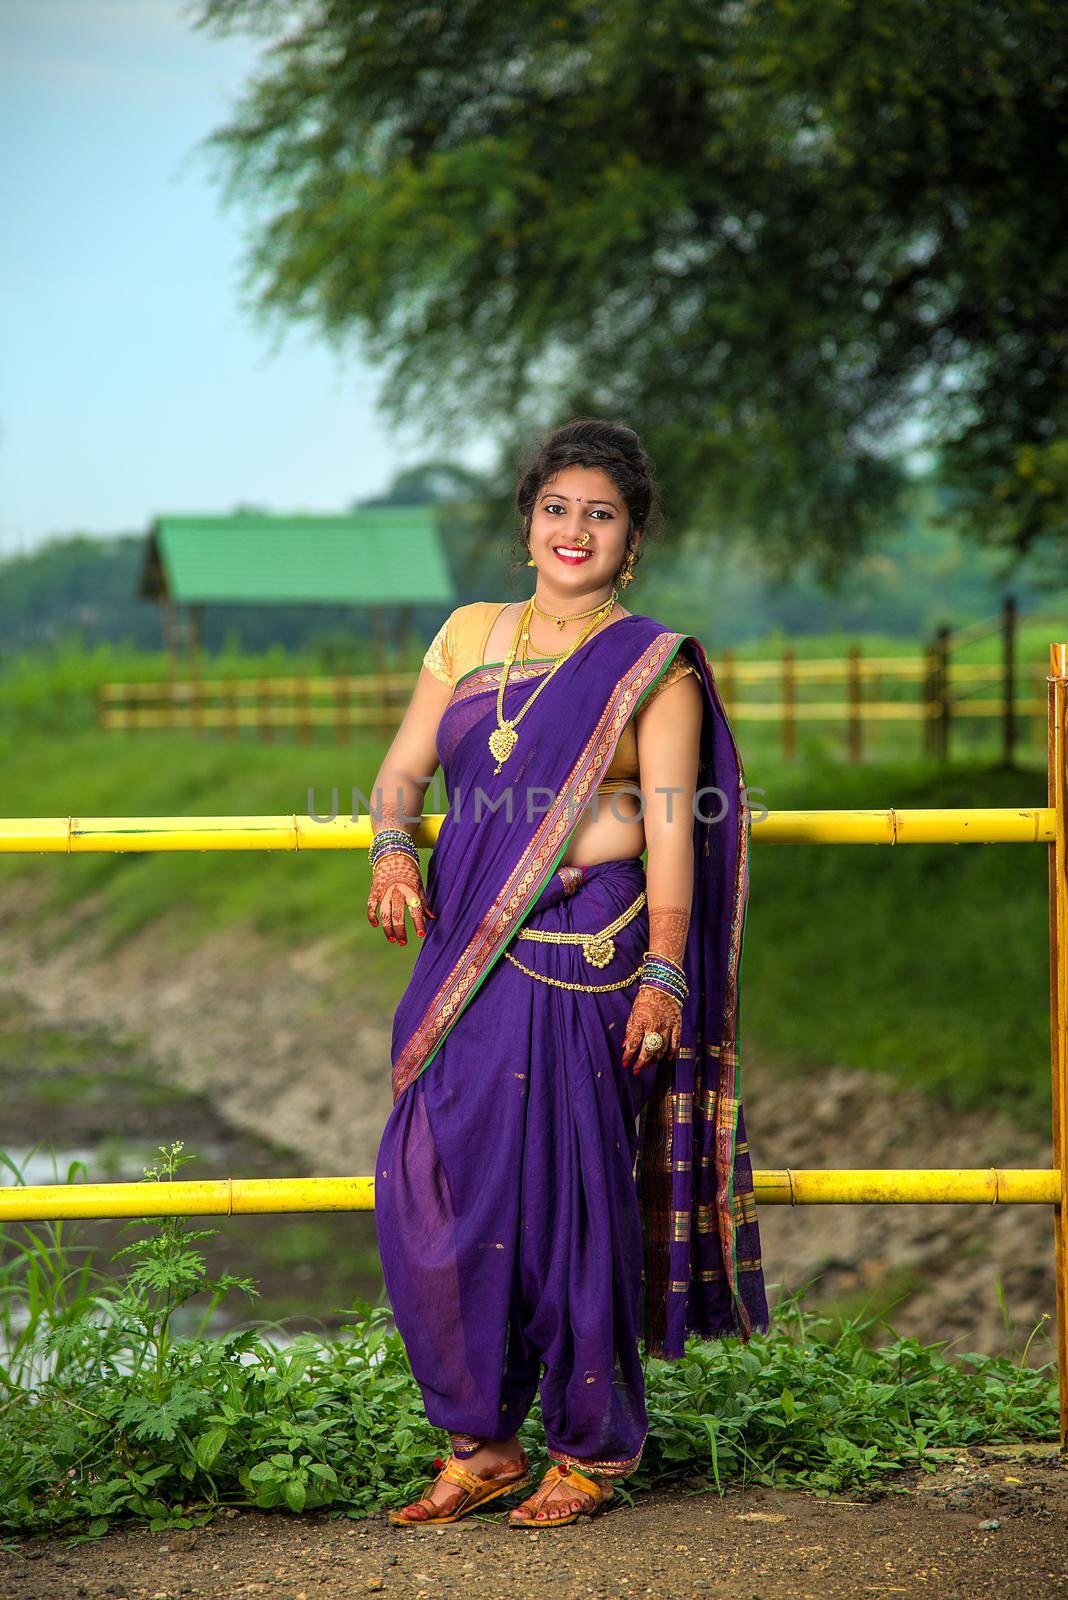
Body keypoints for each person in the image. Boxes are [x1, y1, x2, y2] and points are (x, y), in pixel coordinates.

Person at [367, 418, 769, 1529]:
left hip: (585, 956)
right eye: (558, 507)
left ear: (630, 537)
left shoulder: (653, 664)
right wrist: (393, 844)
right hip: (468, 946)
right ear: (527, 522)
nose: (574, 528)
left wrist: (667, 970)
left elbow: (680, 830)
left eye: (601, 512)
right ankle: (482, 1441)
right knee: (430, 1183)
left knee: (567, 1200)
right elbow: (401, 772)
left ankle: (590, 1448)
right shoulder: (464, 635)